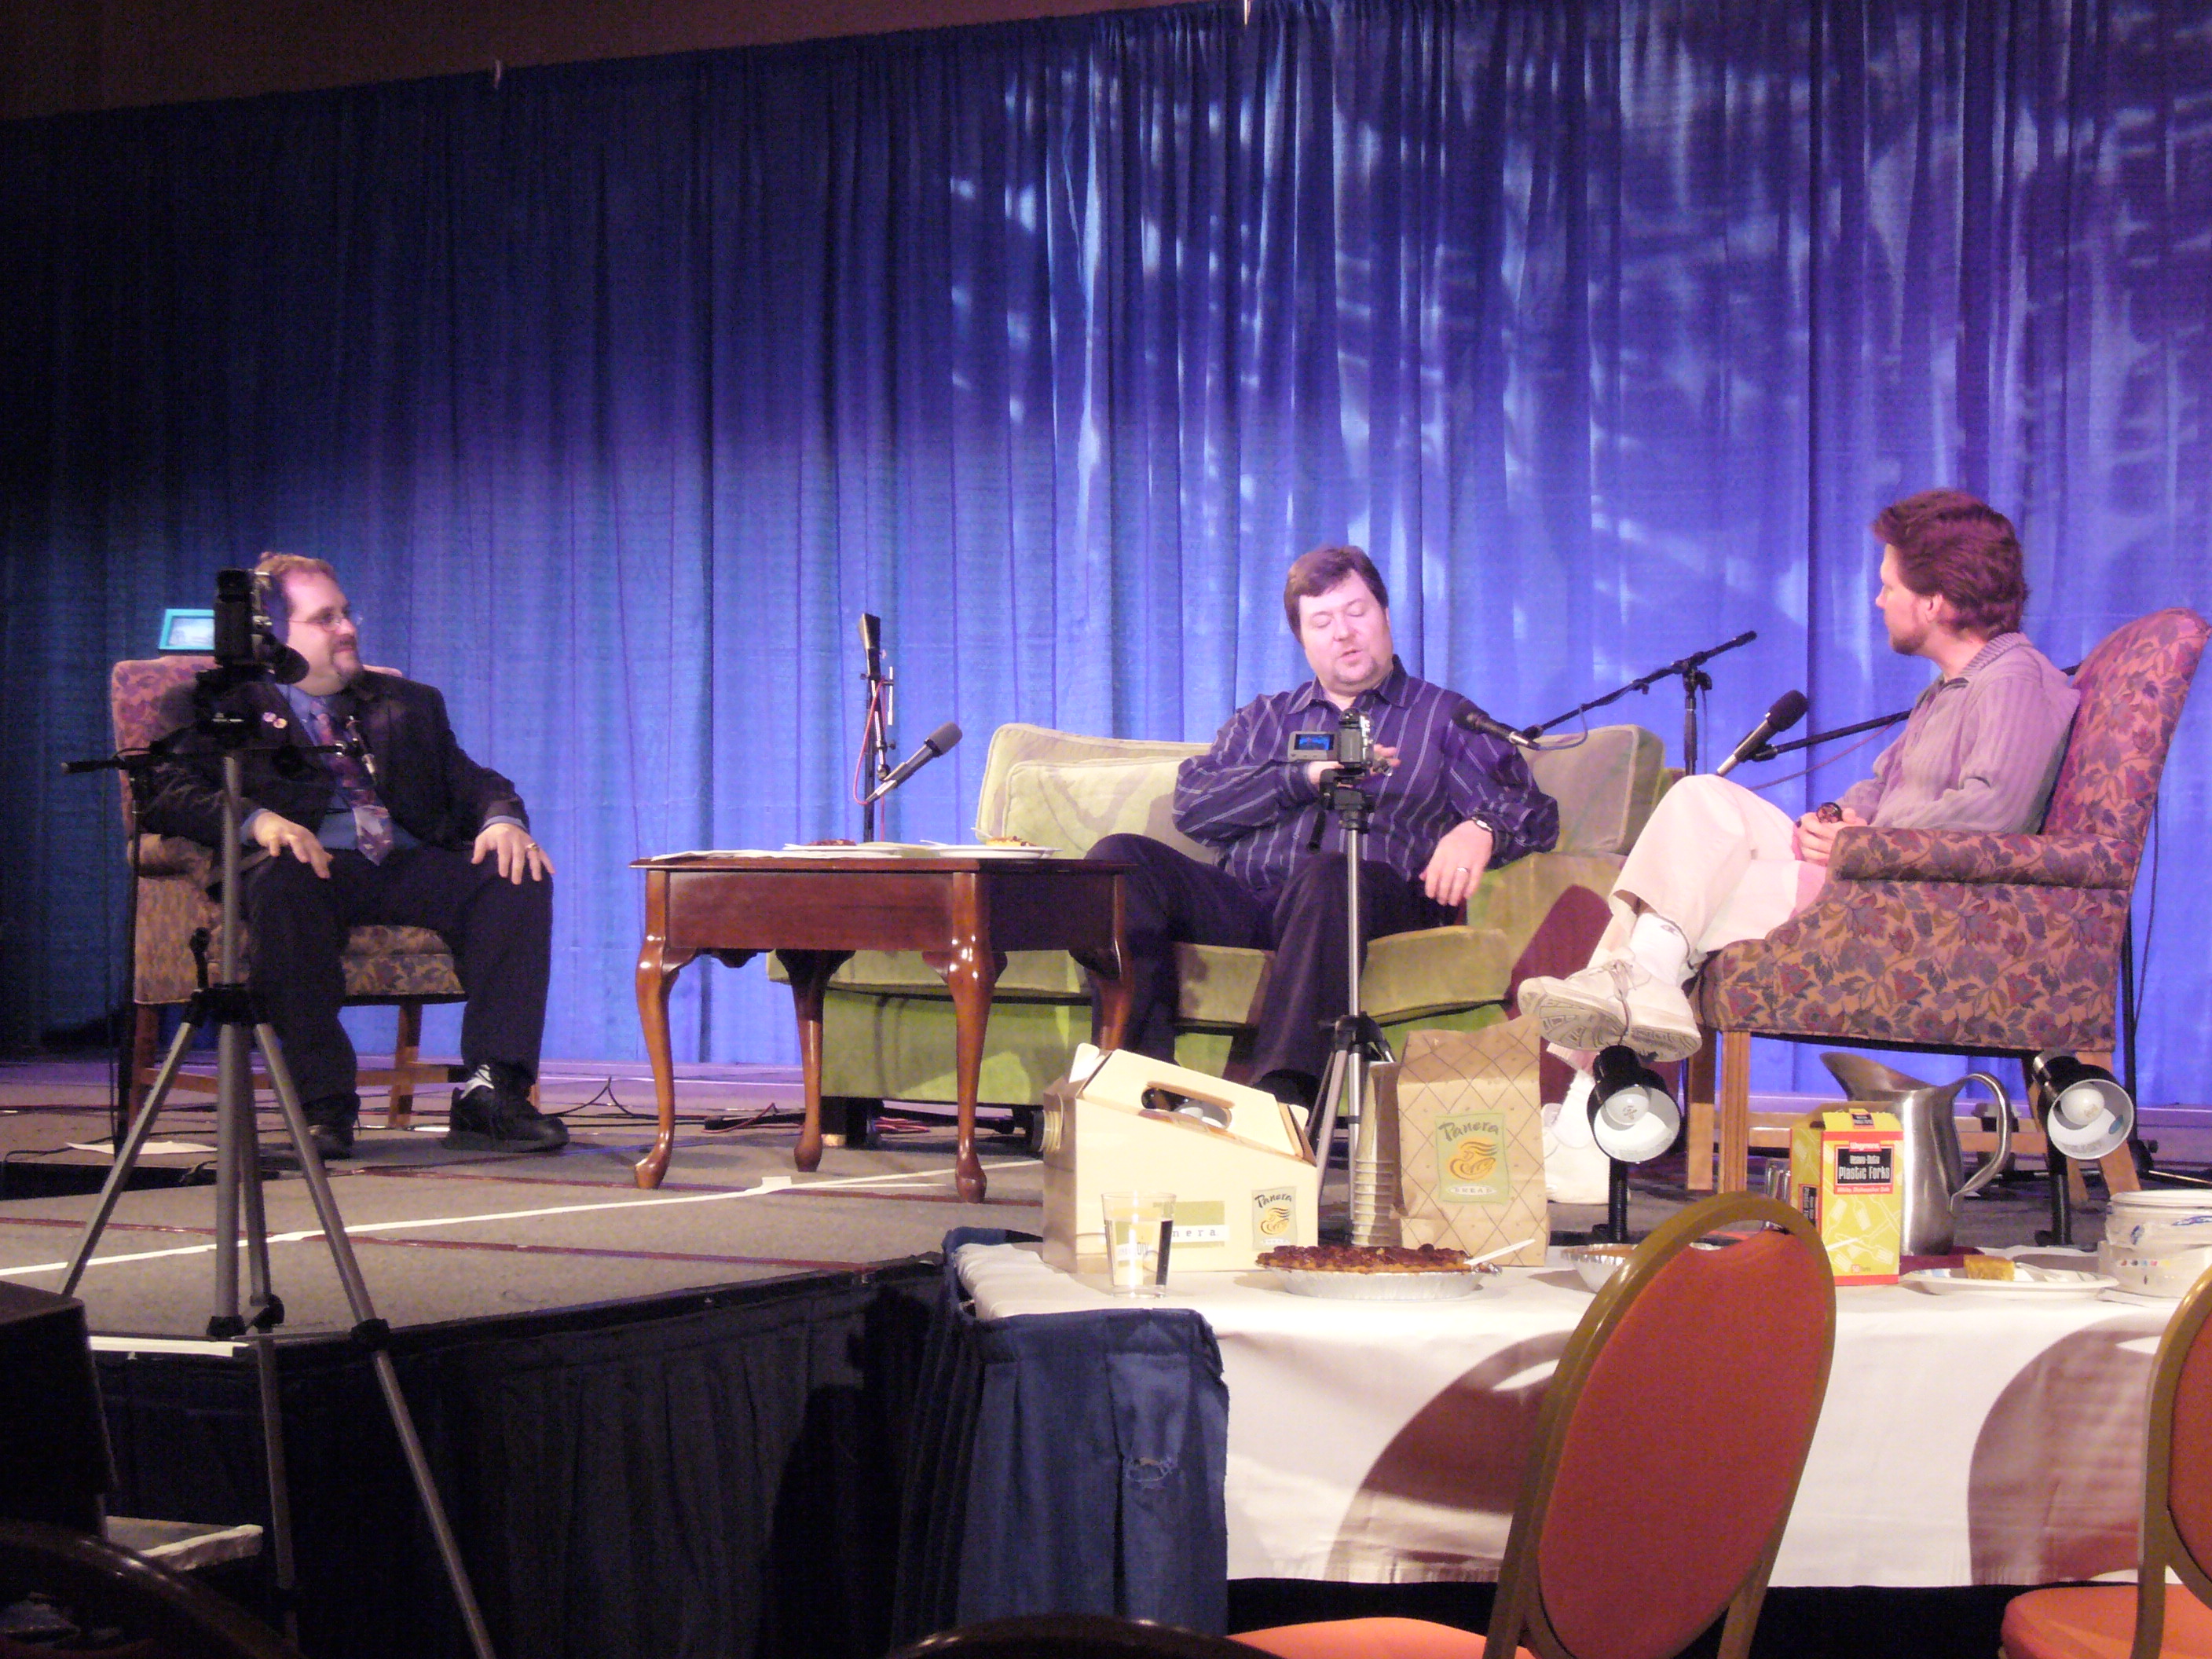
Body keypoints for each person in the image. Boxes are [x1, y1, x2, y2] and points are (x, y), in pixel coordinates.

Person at [1518, 489, 2080, 1066]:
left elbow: (1994, 810)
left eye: (1889, 587)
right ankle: (1643, 994)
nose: (1878, 600)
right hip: (1868, 869)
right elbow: (1881, 787)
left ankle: (1596, 1087)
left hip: (1905, 904)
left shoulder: (2013, 681)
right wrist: (1835, 820)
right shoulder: (1948, 689)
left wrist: (1865, 842)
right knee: (1700, 797)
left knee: (1679, 899)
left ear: (1934, 603)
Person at [1085, 544, 1558, 1113]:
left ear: (1385, 615)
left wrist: (1480, 828)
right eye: (1323, 621)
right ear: (1303, 639)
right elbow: (1196, 806)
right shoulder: (1265, 720)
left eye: (1357, 612)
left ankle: (1282, 1103)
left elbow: (1533, 811)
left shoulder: (1442, 717)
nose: (1344, 633)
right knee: (1118, 861)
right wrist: (1303, 778)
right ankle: (1145, 1083)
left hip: (1369, 901)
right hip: (1252, 902)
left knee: (1330, 874)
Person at [140, 554, 567, 1159]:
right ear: (272, 635)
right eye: (325, 619)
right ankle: (324, 1105)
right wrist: (258, 821)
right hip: (308, 868)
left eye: (346, 613)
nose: (347, 629)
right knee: (285, 882)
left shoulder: (407, 702)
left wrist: (502, 819)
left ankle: (492, 1092)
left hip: (400, 863)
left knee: (514, 874)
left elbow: (471, 780)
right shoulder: (217, 705)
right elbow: (164, 792)